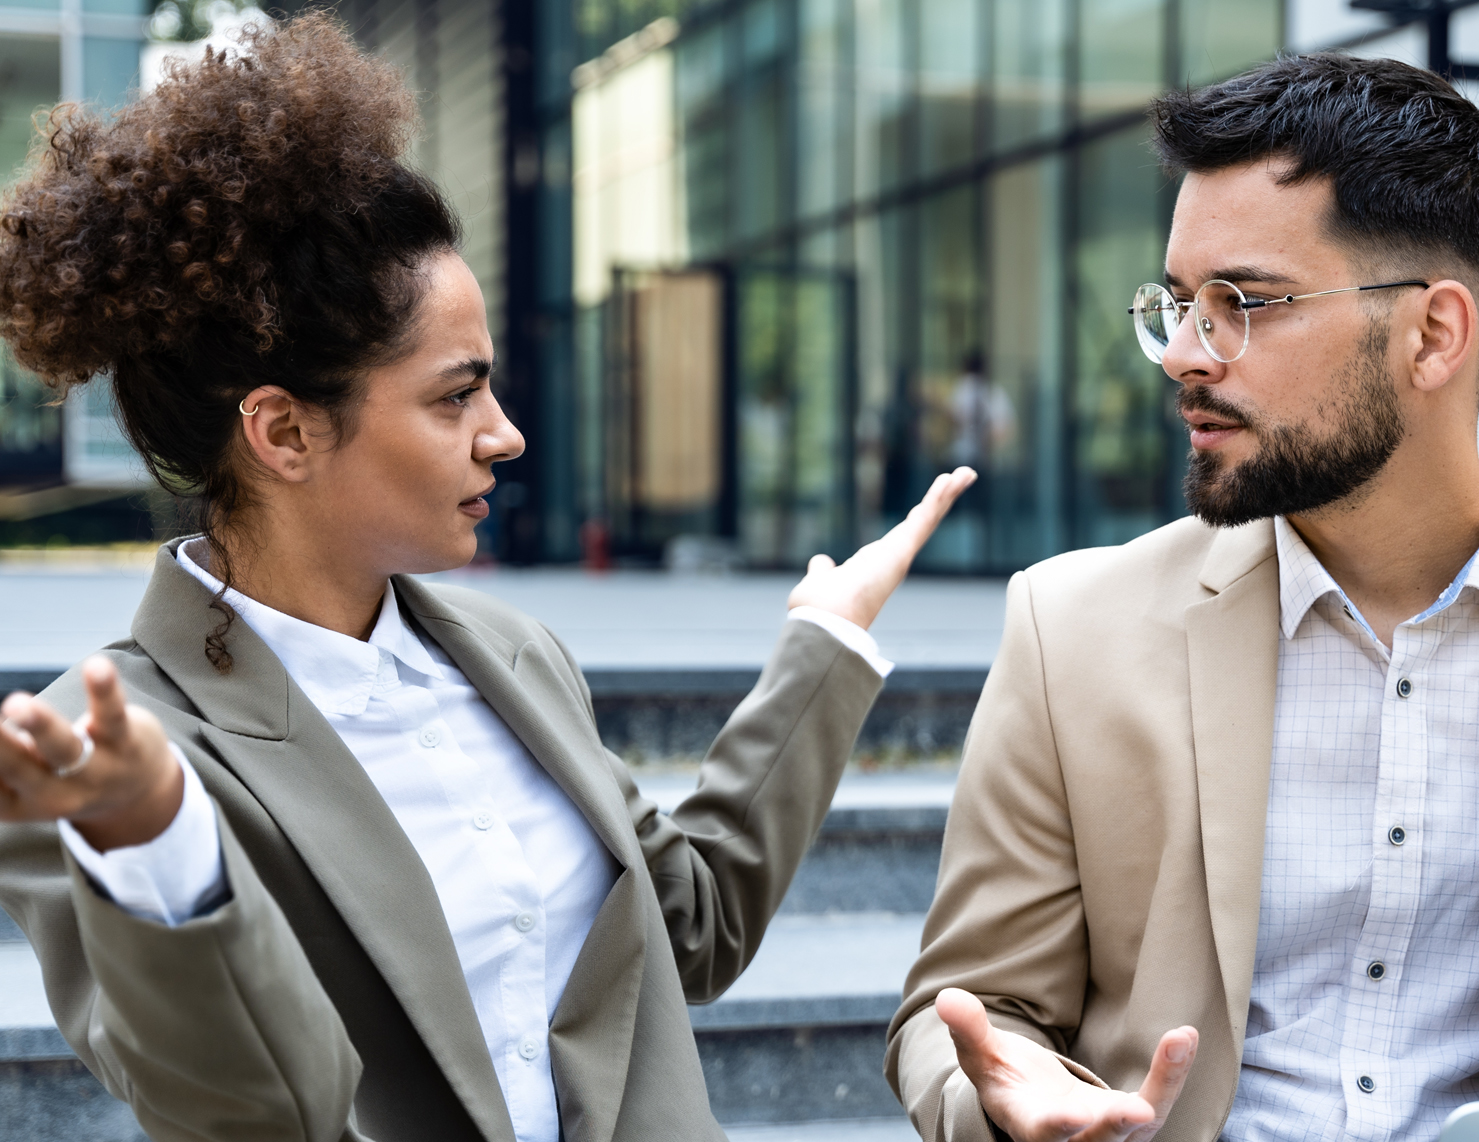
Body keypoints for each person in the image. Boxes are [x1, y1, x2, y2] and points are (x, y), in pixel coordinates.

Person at [0, 17, 974, 1141]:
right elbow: (255, 1110)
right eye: (454, 395)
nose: (504, 435)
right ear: (283, 431)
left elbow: (689, 925)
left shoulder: (511, 655)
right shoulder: (98, 757)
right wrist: (158, 834)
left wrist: (823, 644)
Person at [887, 53, 1479, 1142]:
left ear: (1434, 334)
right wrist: (1005, 1096)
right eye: (1175, 303)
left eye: (1243, 304)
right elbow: (969, 1011)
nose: (1181, 354)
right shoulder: (1067, 629)